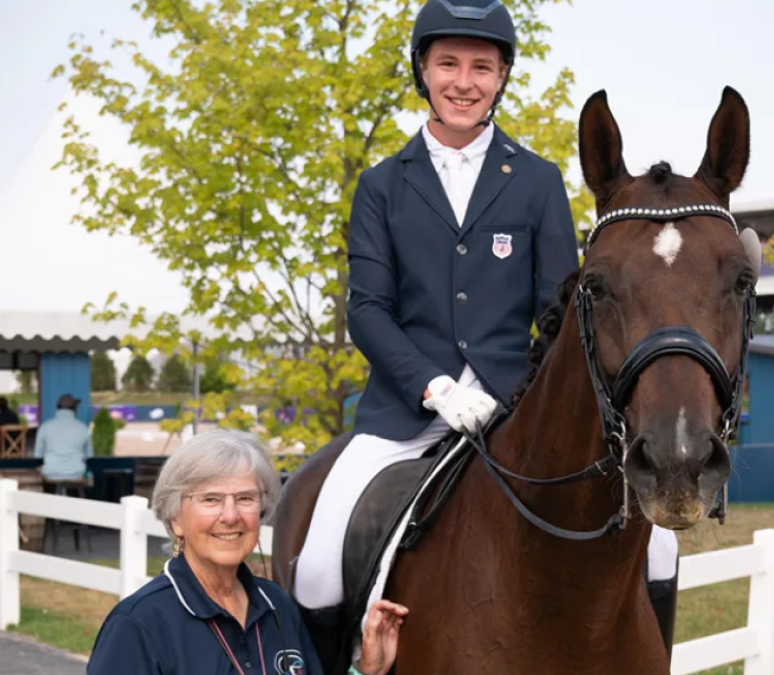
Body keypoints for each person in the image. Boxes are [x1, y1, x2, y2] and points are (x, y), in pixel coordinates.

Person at [294, 0, 576, 628]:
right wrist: (436, 386)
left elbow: (559, 312)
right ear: (422, 69)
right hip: (406, 411)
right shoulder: (382, 184)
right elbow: (367, 310)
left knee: (658, 543)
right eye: (447, 63)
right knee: (315, 564)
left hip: (516, 407)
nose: (464, 82)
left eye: (483, 66)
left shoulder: (537, 181)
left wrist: (532, 394)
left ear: (502, 77)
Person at [87, 430, 408, 675]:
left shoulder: (277, 607)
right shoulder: (138, 624)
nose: (230, 515)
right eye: (210, 499)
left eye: (245, 499)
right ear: (175, 519)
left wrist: (366, 670)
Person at [33, 394, 92, 482]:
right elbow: (89, 455)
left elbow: (38, 456)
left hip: (50, 473)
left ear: (57, 408)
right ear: (74, 408)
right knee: (89, 474)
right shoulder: (83, 428)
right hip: (77, 474)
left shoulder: (45, 427)